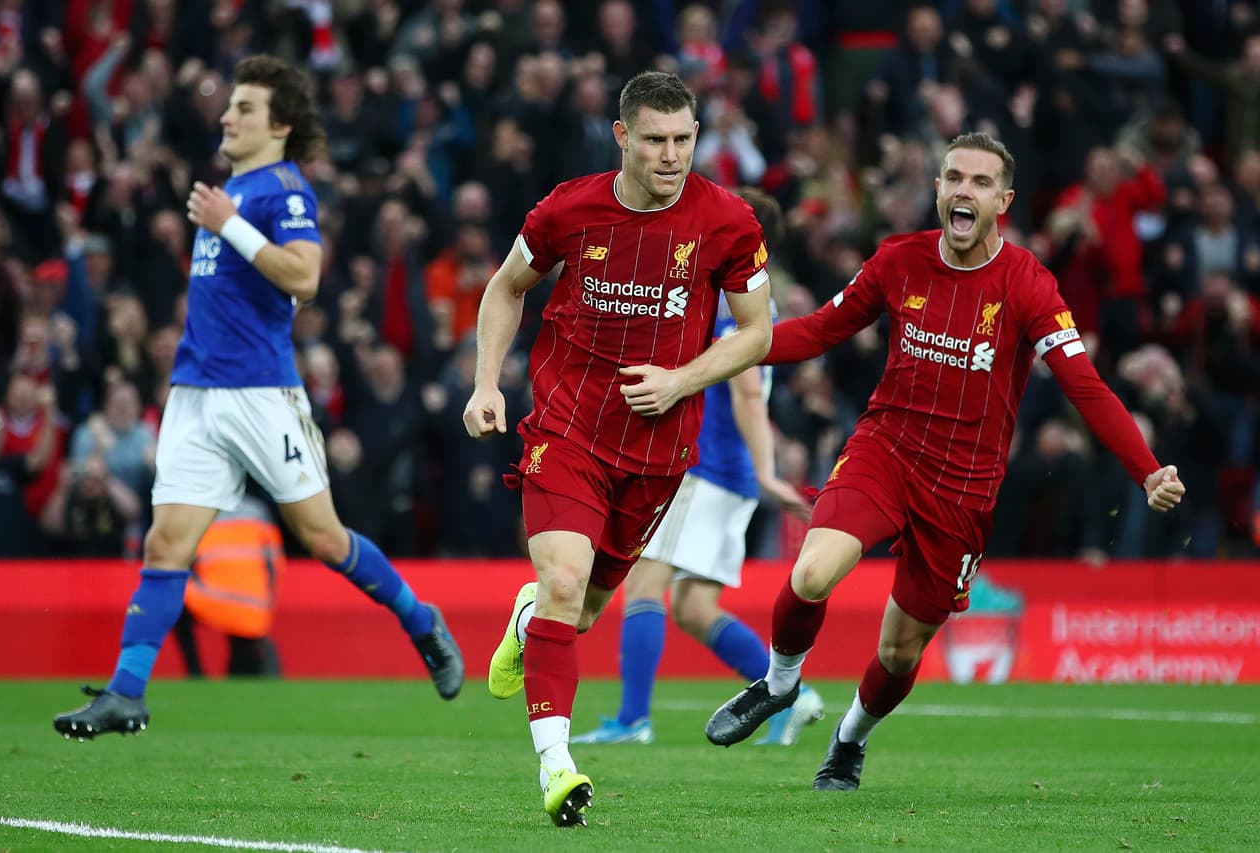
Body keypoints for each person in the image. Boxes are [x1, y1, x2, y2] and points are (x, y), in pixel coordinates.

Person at [703, 132, 1186, 791]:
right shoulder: (898, 259)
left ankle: (848, 741)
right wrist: (717, 357)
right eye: (953, 177)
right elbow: (819, 329)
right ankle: (780, 682)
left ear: (1003, 200)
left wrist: (1147, 467)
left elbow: (1084, 385)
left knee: (900, 650)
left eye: (980, 182)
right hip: (886, 449)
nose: (964, 190)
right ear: (936, 188)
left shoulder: (1027, 284)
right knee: (813, 572)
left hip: (962, 490)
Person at [54, 55, 464, 741]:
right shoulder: (231, 190)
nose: (225, 116)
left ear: (278, 123)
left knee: (324, 537)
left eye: (242, 107)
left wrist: (229, 225)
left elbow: (304, 277)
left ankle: (422, 621)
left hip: (260, 394)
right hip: (195, 392)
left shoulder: (282, 189)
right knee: (166, 542)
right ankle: (127, 692)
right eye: (229, 105)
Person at [462, 70, 774, 827]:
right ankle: (556, 766)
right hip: (568, 429)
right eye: (657, 140)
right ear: (624, 137)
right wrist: (486, 385)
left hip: (660, 453)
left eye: (684, 139)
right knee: (567, 585)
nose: (672, 156)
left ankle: (527, 617)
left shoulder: (728, 222)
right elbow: (507, 288)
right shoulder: (568, 209)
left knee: (585, 608)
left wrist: (680, 380)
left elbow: (761, 334)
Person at [571, 187, 820, 748]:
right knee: (692, 606)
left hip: (706, 467)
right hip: (726, 475)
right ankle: (791, 696)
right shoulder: (754, 298)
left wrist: (766, 471)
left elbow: (748, 392)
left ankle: (634, 720)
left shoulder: (735, 301)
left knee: (642, 584)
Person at [173, 495, 287, 678]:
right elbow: (274, 563)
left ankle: (195, 673)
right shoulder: (257, 511)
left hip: (209, 597)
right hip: (251, 603)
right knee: (243, 660)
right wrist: (268, 601)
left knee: (173, 606)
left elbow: (181, 562)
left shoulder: (195, 511)